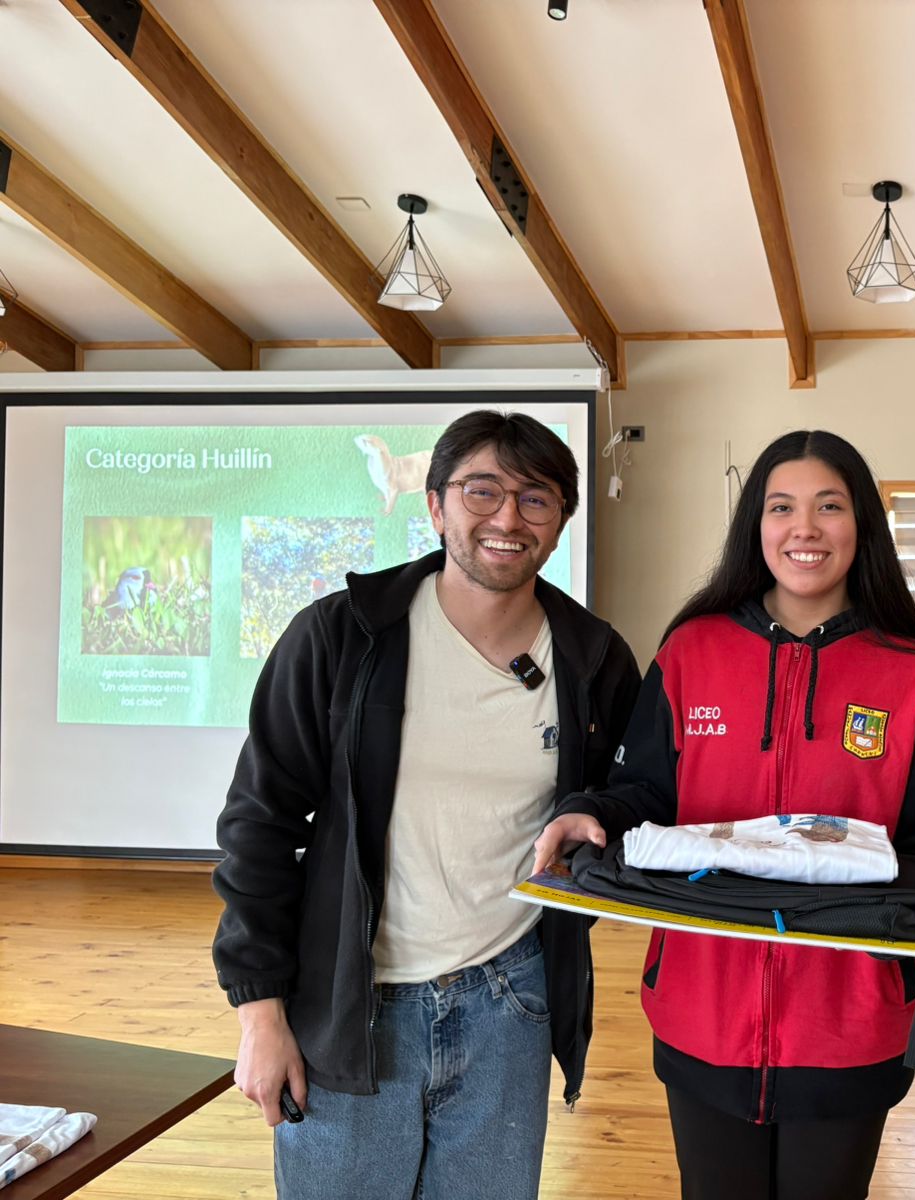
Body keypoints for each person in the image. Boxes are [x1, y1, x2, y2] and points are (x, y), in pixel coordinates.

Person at [212, 411, 640, 1200]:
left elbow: (633, 787)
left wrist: (596, 811)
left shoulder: (593, 657)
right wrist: (260, 1017)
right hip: (350, 1004)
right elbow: (259, 825)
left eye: (535, 499)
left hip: (511, 1001)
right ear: (435, 506)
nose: (507, 518)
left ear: (560, 523)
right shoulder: (342, 638)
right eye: (482, 491)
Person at [532, 430, 915, 1200]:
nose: (805, 528)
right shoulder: (691, 652)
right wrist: (589, 811)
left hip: (850, 1024)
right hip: (702, 1011)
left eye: (830, 506)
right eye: (781, 506)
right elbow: (649, 796)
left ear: (861, 525)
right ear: (754, 527)